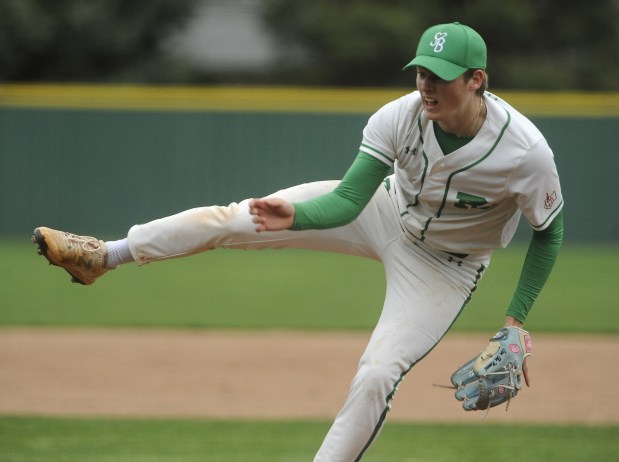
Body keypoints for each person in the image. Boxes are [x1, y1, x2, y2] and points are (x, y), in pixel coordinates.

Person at [33, 22, 563, 461]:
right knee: (237, 218)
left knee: (378, 373)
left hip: (447, 266)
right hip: (382, 211)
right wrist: (298, 215)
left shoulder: (524, 152)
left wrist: (515, 320)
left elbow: (548, 230)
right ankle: (104, 255)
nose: (426, 84)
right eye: (421, 71)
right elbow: (350, 200)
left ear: (476, 81)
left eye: (441, 77)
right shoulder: (399, 115)